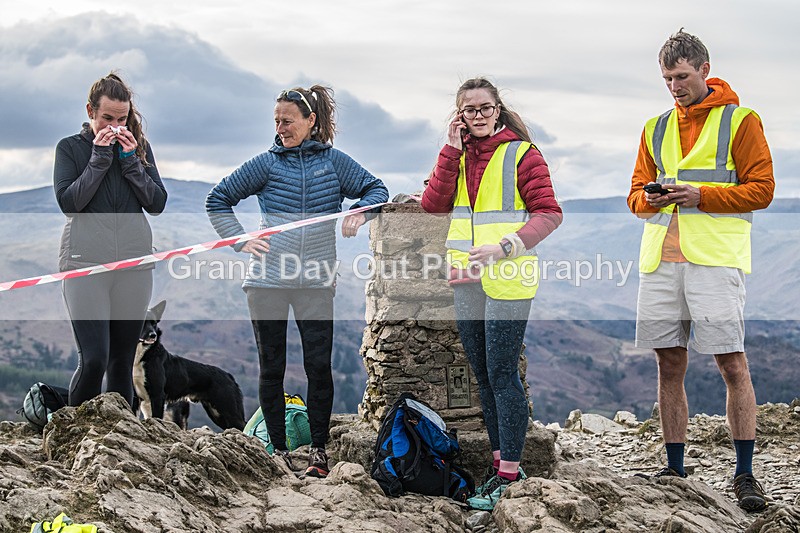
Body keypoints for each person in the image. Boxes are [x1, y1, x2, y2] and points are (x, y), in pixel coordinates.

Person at [206, 85, 388, 478]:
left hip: (316, 282)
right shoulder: (266, 164)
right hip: (267, 281)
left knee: (318, 366)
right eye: (276, 121)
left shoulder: (335, 163)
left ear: (311, 122)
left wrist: (359, 212)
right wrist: (240, 239)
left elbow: (377, 189)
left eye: (288, 121)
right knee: (271, 368)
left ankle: (318, 452)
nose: (280, 128)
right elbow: (218, 198)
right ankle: (278, 450)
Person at [627, 29, 774, 512]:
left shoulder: (742, 121)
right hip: (660, 261)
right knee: (669, 363)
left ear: (704, 71)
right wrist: (650, 200)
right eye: (667, 78)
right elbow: (632, 197)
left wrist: (700, 196)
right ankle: (674, 466)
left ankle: (745, 474)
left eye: (682, 77)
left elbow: (762, 190)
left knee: (731, 363)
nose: (674, 86)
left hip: (714, 260)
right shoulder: (654, 127)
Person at [421, 77, 562, 510]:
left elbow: (550, 214)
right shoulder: (458, 157)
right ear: (459, 116)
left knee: (502, 375)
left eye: (485, 108)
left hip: (509, 276)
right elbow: (432, 205)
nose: (478, 116)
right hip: (466, 276)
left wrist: (505, 246)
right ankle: (499, 470)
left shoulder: (523, 153)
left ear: (497, 110)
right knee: (483, 375)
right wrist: (449, 150)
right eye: (469, 110)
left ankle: (511, 473)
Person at [54, 72, 168, 408]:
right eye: (107, 118)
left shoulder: (139, 148)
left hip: (134, 265)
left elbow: (157, 203)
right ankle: (73, 435)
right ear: (90, 111)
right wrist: (100, 158)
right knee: (93, 360)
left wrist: (131, 163)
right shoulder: (70, 149)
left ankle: (120, 442)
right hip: (84, 264)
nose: (115, 127)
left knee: (121, 362)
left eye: (122, 119)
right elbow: (70, 204)